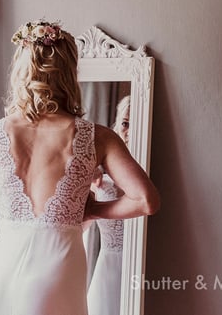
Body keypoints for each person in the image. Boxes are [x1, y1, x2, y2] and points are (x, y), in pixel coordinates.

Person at [0, 20, 159, 315]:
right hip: (58, 273)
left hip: (2, 276)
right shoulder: (97, 137)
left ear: (21, 71)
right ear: (69, 73)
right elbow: (146, 200)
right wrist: (91, 211)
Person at [87, 96, 130, 315]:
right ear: (116, 126)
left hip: (143, 266)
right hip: (108, 267)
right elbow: (80, 226)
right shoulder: (100, 176)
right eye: (125, 123)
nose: (130, 131)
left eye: (135, 123)